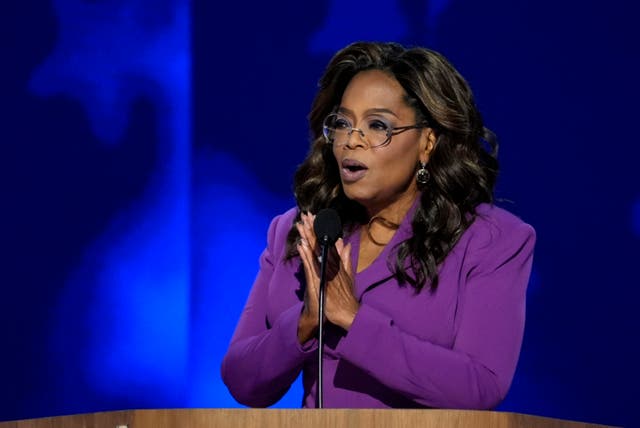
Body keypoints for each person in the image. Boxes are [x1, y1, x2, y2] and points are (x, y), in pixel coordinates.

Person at [220, 41, 535, 409]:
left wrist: (353, 319)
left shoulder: (490, 239)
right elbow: (243, 381)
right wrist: (307, 320)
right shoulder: (300, 232)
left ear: (427, 142)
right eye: (342, 123)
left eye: (377, 126)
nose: (352, 141)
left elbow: (480, 387)